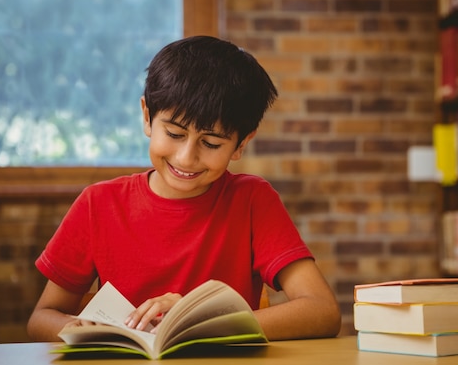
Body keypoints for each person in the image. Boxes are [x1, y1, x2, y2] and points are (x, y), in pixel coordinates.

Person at [27, 35, 342, 342]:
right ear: (147, 117)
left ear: (241, 144)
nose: (186, 157)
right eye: (175, 134)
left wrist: (201, 321)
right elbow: (42, 318)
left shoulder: (251, 200)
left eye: (211, 143)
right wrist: (84, 329)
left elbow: (322, 311)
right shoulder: (99, 203)